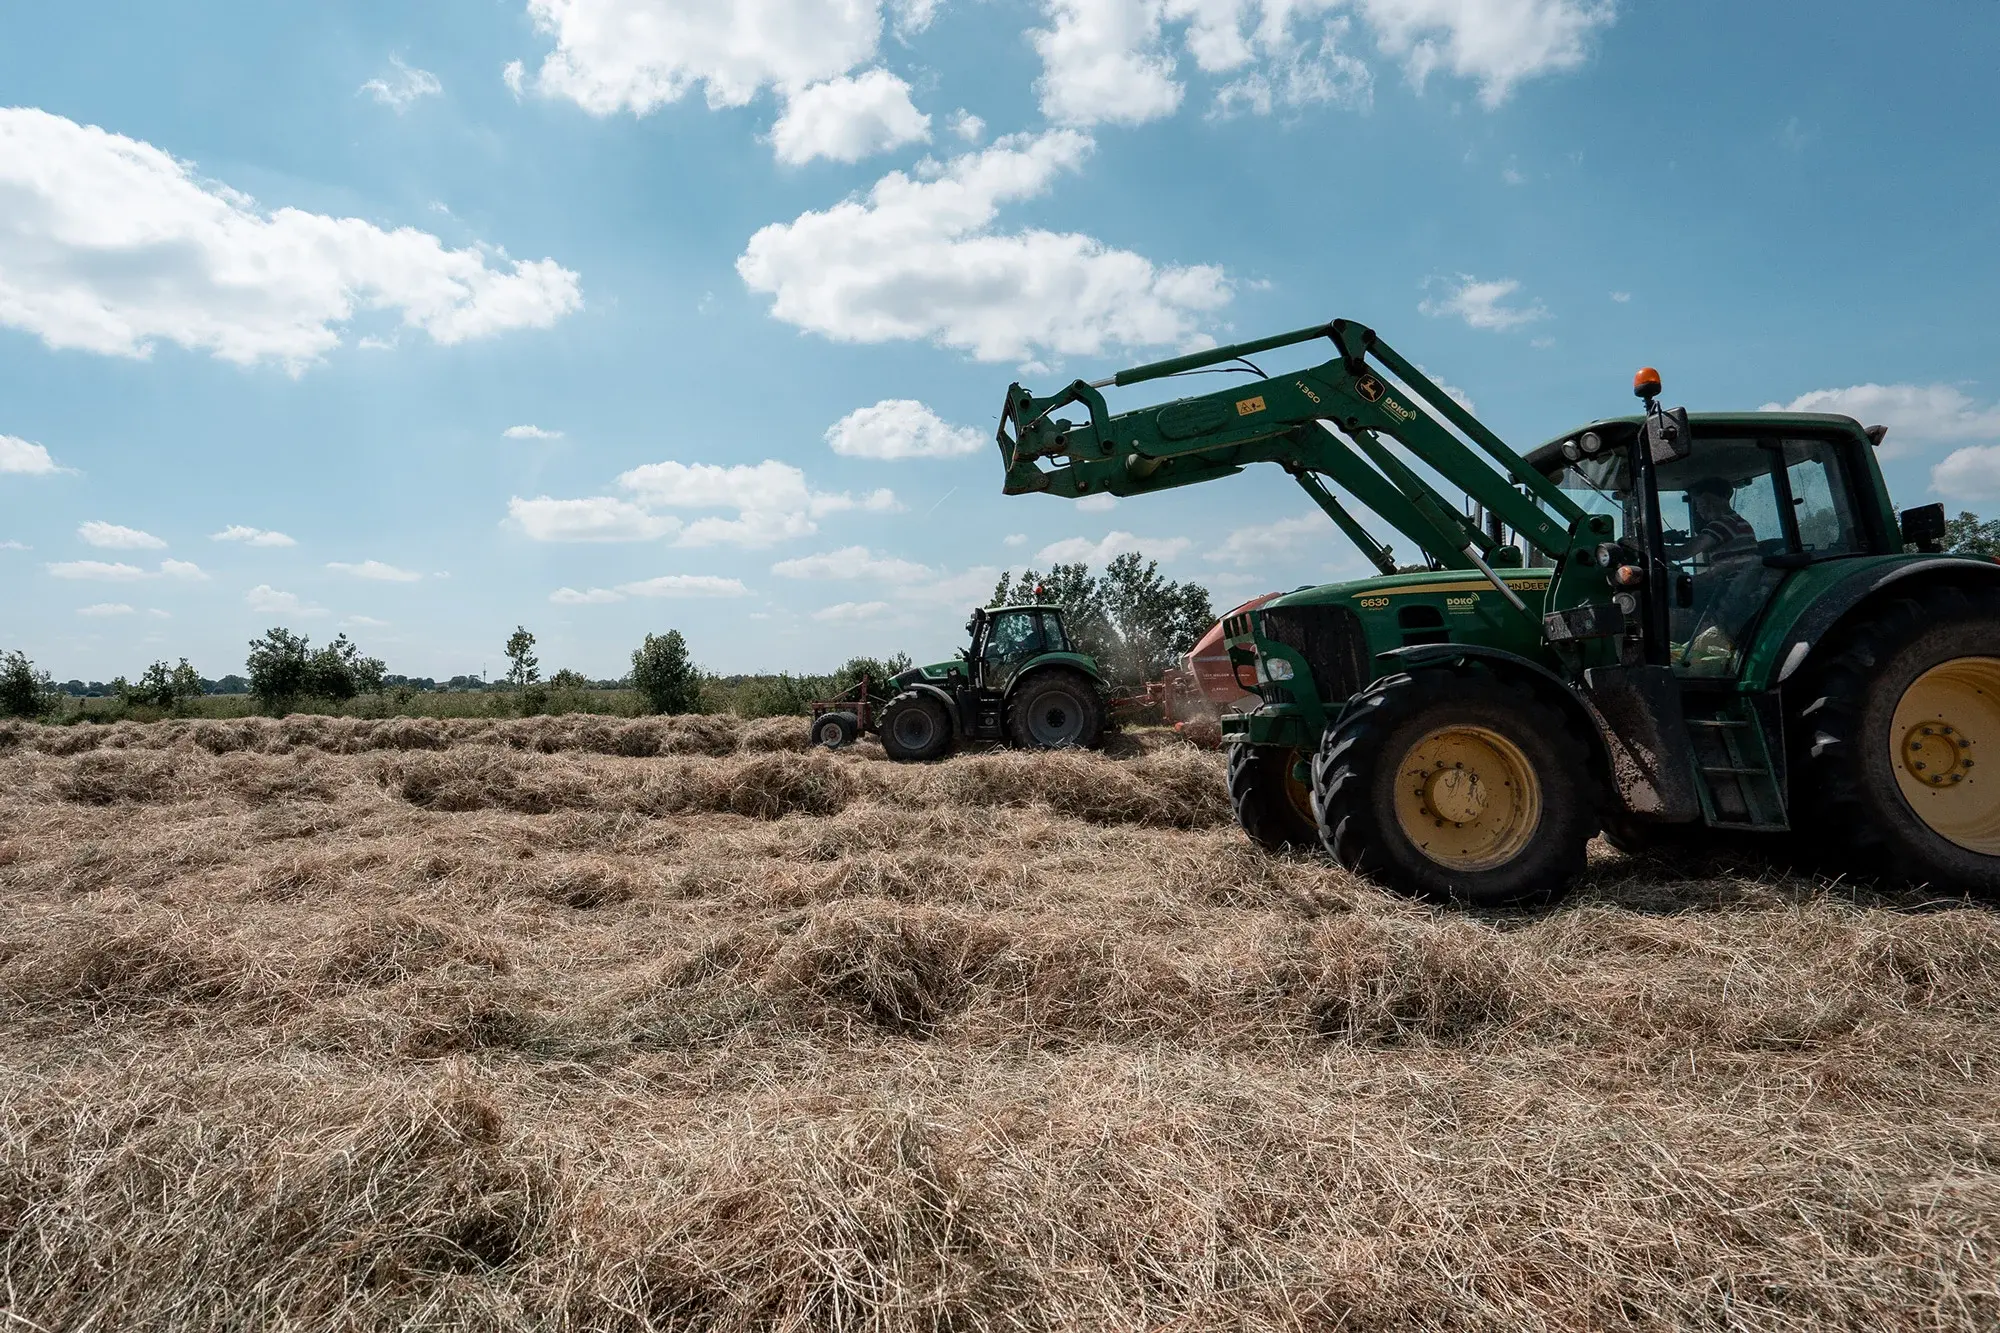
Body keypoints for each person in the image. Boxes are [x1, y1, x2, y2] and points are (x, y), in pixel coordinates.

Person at [1666, 476, 1761, 674]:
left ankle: (1671, 658)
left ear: (1709, 501)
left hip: (1728, 589)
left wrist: (1642, 545)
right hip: (1733, 585)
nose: (1699, 511)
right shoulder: (1739, 522)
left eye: (1699, 504)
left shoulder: (1721, 524)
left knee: (1665, 593)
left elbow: (1683, 553)